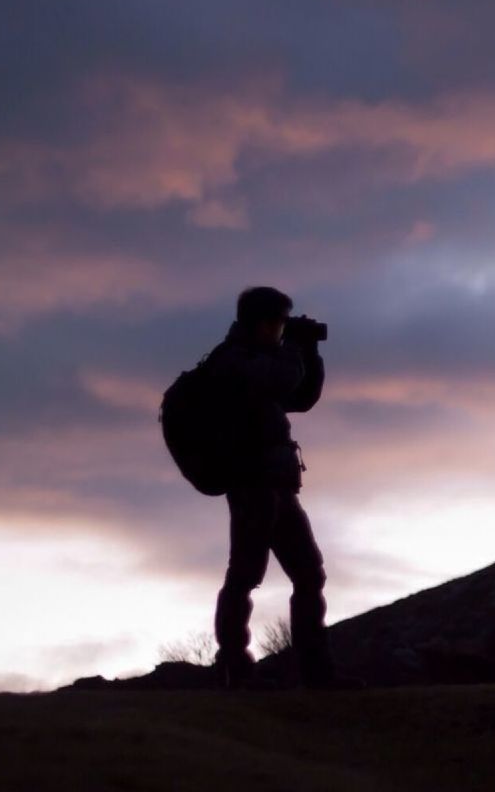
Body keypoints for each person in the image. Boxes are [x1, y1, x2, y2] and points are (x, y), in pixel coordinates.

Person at [207, 286, 342, 689]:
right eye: (279, 323)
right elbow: (283, 380)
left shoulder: (264, 358)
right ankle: (238, 670)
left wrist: (308, 351)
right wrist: (293, 348)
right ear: (261, 322)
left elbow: (300, 397)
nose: (282, 329)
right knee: (245, 576)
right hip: (250, 485)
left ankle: (317, 673)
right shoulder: (232, 361)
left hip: (280, 487)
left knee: (309, 575)